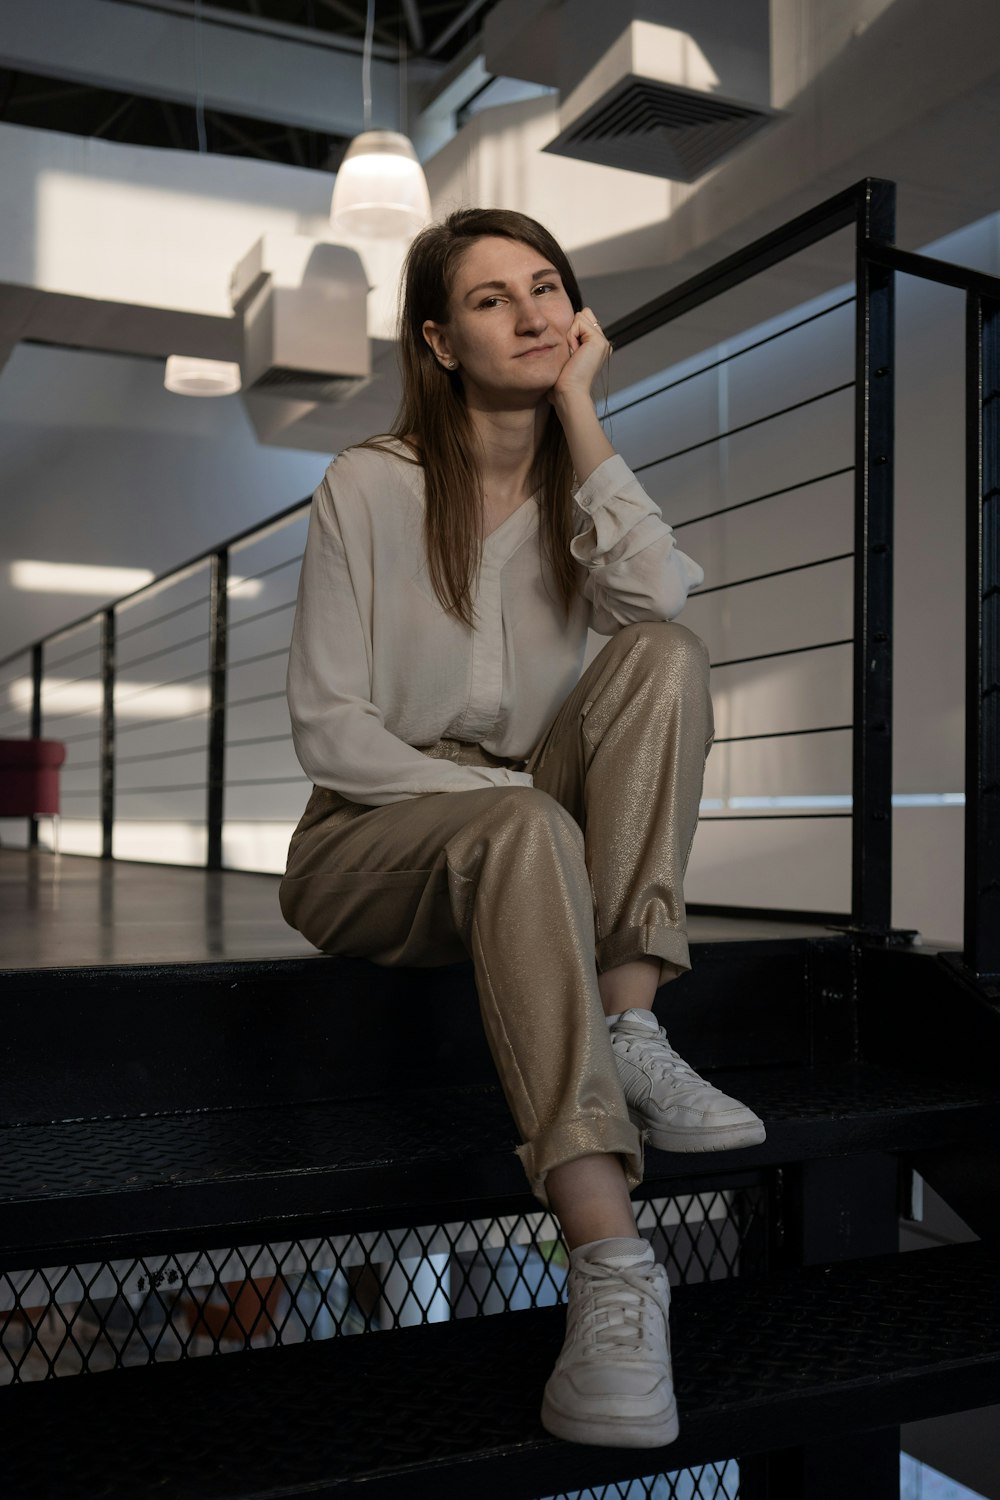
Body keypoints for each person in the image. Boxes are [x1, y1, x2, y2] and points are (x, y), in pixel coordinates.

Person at [278, 206, 765, 1450]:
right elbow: (331, 732)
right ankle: (612, 1265)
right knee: (521, 830)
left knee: (659, 653)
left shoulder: (574, 487)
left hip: (525, 818)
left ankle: (631, 1022)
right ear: (438, 340)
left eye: (548, 287)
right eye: (494, 299)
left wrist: (583, 414)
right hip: (369, 838)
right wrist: (511, 802)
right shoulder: (366, 486)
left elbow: (655, 598)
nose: (535, 312)